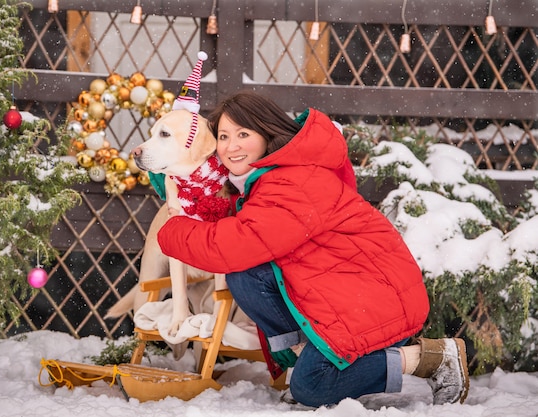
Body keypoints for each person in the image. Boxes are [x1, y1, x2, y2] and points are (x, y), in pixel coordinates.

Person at [156, 91, 469, 407]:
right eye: (223, 136)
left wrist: (175, 228)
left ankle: (427, 358)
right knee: (246, 275)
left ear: (266, 134)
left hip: (376, 302)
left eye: (243, 134)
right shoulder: (266, 178)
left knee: (313, 388)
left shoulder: (290, 182)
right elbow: (218, 207)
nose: (231, 145)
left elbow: (235, 244)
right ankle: (306, 356)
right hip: (348, 293)